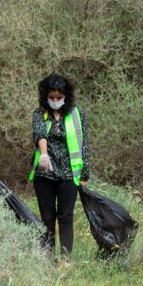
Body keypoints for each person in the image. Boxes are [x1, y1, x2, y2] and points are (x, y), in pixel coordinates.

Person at [28, 73, 89, 259]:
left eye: (59, 98)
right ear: (45, 96)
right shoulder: (40, 114)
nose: (55, 101)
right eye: (51, 97)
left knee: (66, 217)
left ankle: (66, 259)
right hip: (45, 173)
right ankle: (48, 259)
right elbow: (39, 134)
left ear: (66, 97)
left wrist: (85, 173)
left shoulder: (76, 115)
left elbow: (83, 143)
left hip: (69, 174)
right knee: (47, 218)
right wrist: (44, 154)